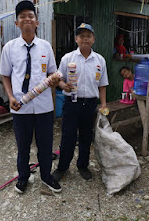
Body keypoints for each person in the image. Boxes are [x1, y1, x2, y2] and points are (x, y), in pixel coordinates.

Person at [0, 0, 61, 194]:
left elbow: (53, 73)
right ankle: (23, 177)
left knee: (45, 145)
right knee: (23, 146)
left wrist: (56, 81)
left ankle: (46, 176)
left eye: (30, 16)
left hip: (43, 106)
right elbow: (5, 76)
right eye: (22, 16)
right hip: (20, 106)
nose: (27, 19)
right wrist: (9, 96)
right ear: (16, 23)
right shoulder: (9, 48)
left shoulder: (45, 47)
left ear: (37, 22)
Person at [52, 23, 108, 181]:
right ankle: (62, 167)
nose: (85, 39)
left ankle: (82, 165)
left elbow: (102, 84)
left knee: (85, 137)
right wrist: (64, 86)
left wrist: (103, 104)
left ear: (93, 39)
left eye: (88, 36)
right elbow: (58, 79)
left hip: (89, 104)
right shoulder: (67, 58)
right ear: (76, 39)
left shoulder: (99, 61)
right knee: (68, 136)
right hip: (71, 103)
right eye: (81, 36)